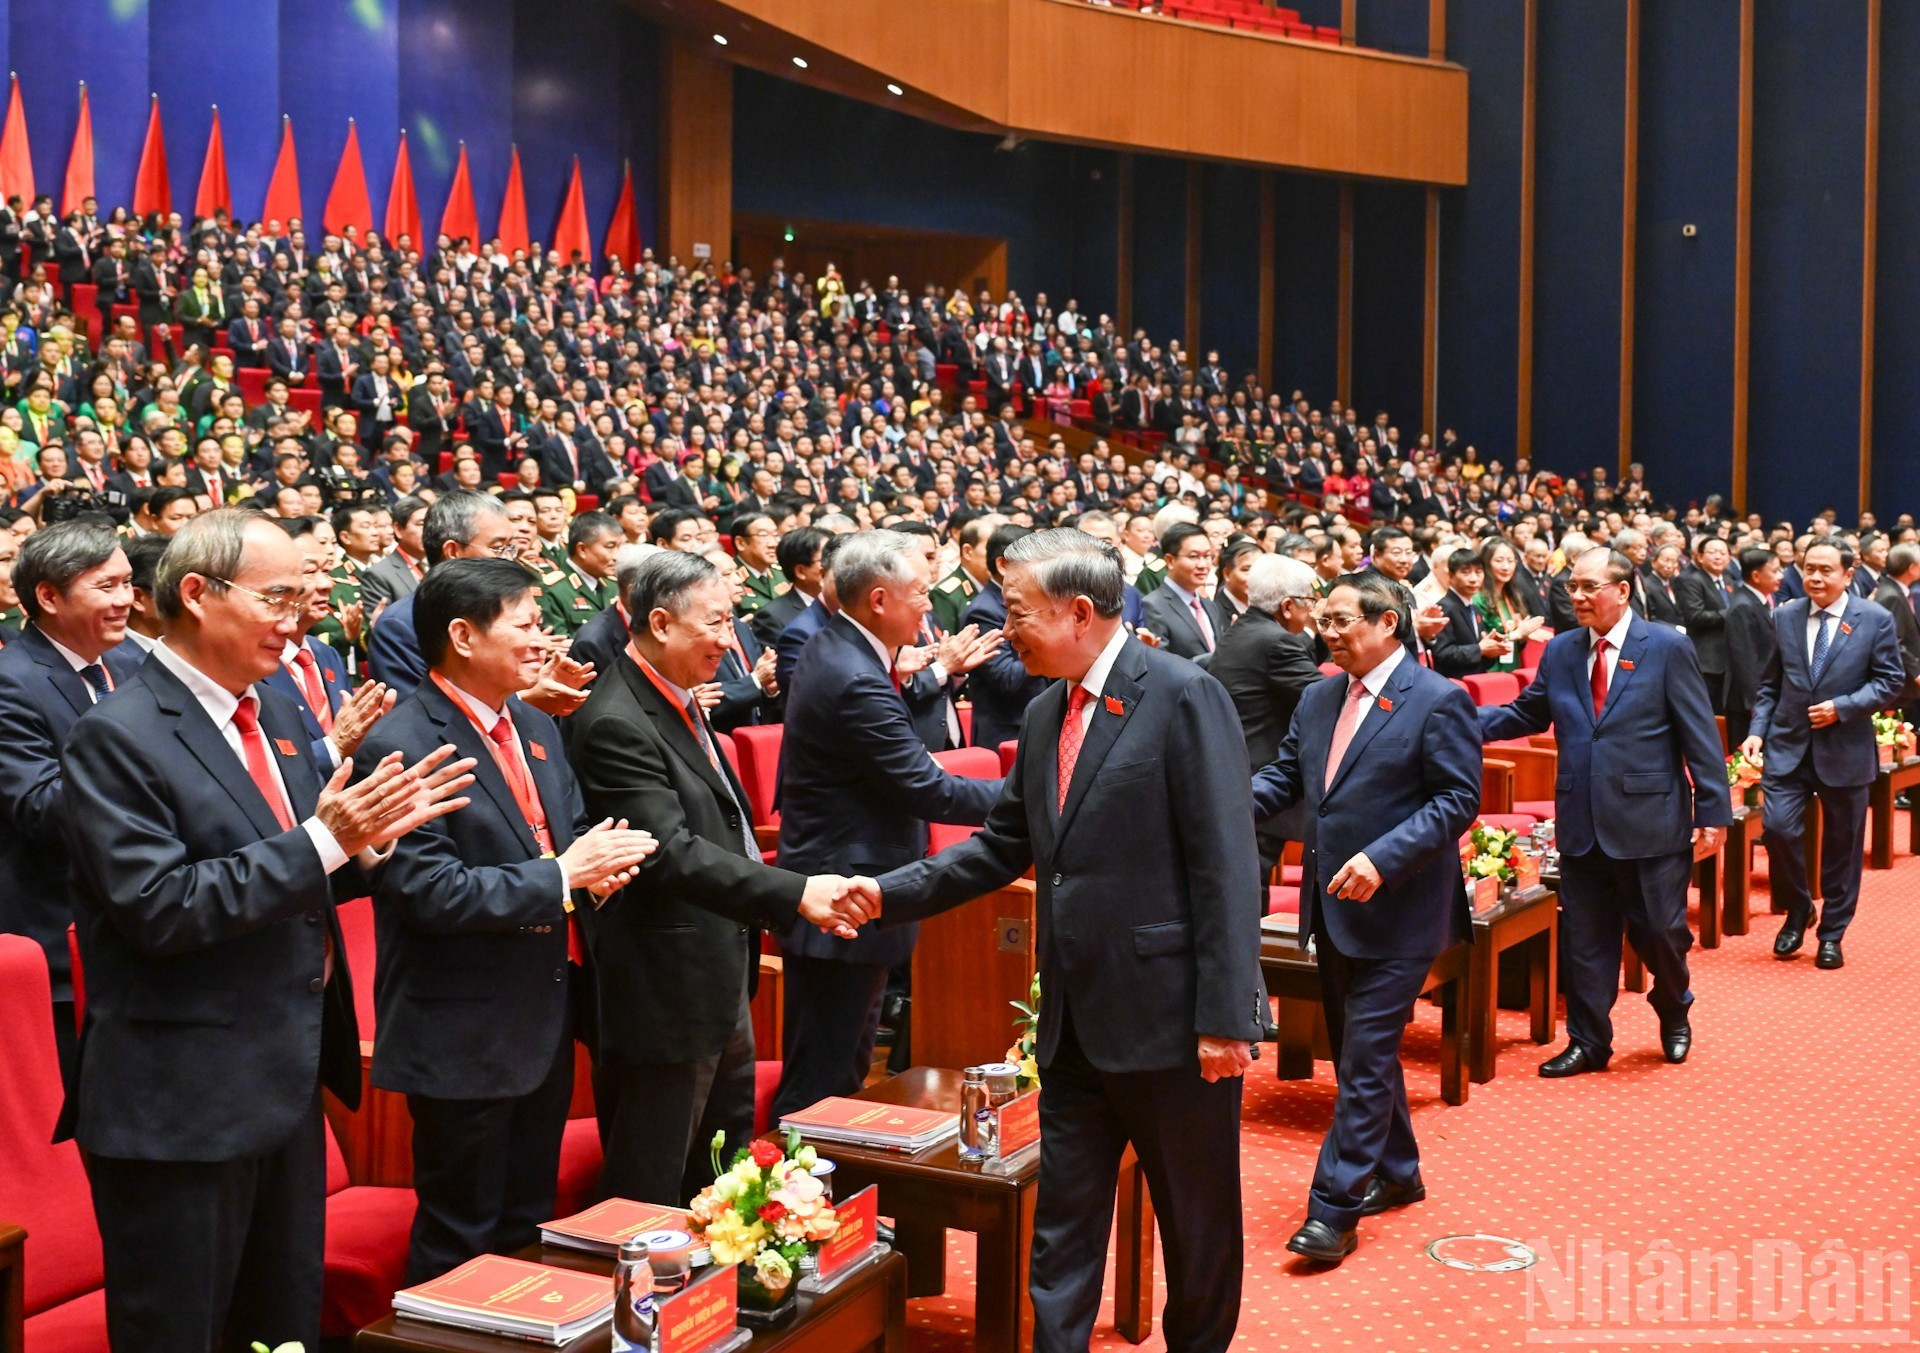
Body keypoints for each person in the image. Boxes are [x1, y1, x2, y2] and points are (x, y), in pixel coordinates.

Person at [59, 509, 471, 1350]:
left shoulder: (276, 708)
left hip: (283, 1080)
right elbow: (162, 906)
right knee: (183, 1330)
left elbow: (294, 867)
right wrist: (329, 838)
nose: (300, 616)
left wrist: (373, 845)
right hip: (180, 1100)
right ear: (199, 594)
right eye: (278, 596)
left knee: (281, 1325)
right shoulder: (117, 735)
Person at [853, 529, 1265, 1351]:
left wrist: (1227, 1015)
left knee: (1197, 1229)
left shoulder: (1183, 694)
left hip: (1176, 1024)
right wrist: (882, 894)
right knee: (1063, 1227)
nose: (1006, 633)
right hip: (1073, 1022)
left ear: (1079, 612)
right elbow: (1001, 846)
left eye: (1018, 614)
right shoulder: (1047, 710)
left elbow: (1227, 861)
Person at [357, 559, 656, 1282]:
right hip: (463, 1029)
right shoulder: (403, 742)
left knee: (527, 1220)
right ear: (462, 635)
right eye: (524, 624)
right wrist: (562, 875)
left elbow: (569, 829)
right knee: (460, 1231)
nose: (541, 639)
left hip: (541, 1015)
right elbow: (428, 891)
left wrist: (597, 875)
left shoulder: (532, 722)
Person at [566, 550, 874, 1204]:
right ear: (660, 621)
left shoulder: (676, 696)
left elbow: (721, 826)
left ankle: (721, 1300)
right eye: (714, 623)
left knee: (721, 1175)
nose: (728, 641)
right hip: (662, 987)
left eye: (730, 620)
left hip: (717, 972)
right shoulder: (618, 719)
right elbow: (668, 851)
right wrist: (796, 893)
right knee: (649, 1187)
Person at [1250, 570, 1481, 1263]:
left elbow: (1455, 799)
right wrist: (1224, 807)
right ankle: (1400, 1170)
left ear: (1388, 621)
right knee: (1362, 1054)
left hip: (1403, 908)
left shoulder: (1438, 699)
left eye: (1342, 618)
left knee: (1366, 1053)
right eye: (1323, 618)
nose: (1328, 630)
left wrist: (1382, 858)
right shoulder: (1319, 698)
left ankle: (1333, 1208)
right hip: (1334, 908)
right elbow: (1286, 777)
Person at [770, 530, 1003, 1119]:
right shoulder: (854, 675)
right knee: (823, 1076)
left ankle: (831, 1205)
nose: (930, 605)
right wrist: (1036, 792)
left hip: (849, 884)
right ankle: (800, 1206)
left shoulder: (840, 648)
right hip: (844, 896)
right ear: (879, 599)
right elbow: (926, 787)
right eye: (920, 592)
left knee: (840, 1064)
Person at [1481, 548, 1730, 1075]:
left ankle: (1673, 1004)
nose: (1577, 596)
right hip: (1580, 818)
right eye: (1572, 586)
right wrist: (1448, 716)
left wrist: (1714, 811)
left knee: (1662, 932)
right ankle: (1589, 1041)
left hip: (1652, 819)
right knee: (1586, 939)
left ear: (1623, 589)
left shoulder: (1665, 646)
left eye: (1590, 586)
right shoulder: (1563, 650)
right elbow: (1527, 712)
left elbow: (1698, 732)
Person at [0, 522, 143, 1081]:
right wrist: (154, 774)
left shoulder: (131, 662)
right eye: (106, 587)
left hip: (137, 932)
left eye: (129, 583)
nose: (126, 600)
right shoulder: (11, 682)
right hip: (61, 939)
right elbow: (39, 806)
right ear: (49, 596)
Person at [1743, 540, 1906, 970]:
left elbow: (1891, 681)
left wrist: (1844, 707)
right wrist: (1757, 731)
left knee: (1843, 847)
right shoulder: (1785, 615)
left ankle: (1832, 933)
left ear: (1847, 575)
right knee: (1776, 830)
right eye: (1808, 568)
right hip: (1787, 745)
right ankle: (1799, 909)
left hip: (1845, 748)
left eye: (1825, 570)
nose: (1815, 577)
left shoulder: (1874, 619)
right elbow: (1769, 685)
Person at [1205, 553, 1321, 882]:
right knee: (1252, 882)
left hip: (1239, 767)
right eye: (1309, 602)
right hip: (1262, 776)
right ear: (1287, 606)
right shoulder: (1277, 642)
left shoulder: (1247, 628)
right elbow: (1322, 697)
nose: (1313, 610)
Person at [260, 515, 395, 763]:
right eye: (310, 572)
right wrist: (334, 747)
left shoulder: (325, 654)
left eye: (327, 570)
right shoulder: (255, 662)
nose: (327, 584)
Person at [959, 523, 1049, 751]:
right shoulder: (983, 611)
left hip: (1034, 722)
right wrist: (1046, 644)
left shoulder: (1030, 600)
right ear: (1003, 565)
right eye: (1032, 560)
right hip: (1005, 732)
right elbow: (1006, 677)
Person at [1138, 522, 1223, 661]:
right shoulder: (1153, 606)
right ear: (1170, 560)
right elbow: (1163, 664)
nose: (1203, 565)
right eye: (1193, 556)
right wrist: (1216, 659)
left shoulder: (1209, 605)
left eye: (1207, 556)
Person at [1725, 545, 1782, 748]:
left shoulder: (1760, 601)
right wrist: (1757, 704)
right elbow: (1745, 660)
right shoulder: (1743, 606)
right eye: (1775, 571)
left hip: (1760, 696)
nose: (1780, 576)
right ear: (1756, 576)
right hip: (1746, 702)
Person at [1430, 546, 1510, 677]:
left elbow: (1482, 656)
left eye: (1478, 572)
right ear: (1450, 575)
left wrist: (1492, 647)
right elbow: (1442, 654)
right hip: (1455, 684)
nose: (1473, 579)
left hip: (1477, 680)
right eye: (1465, 572)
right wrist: (1479, 649)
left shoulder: (1475, 609)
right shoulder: (1443, 608)